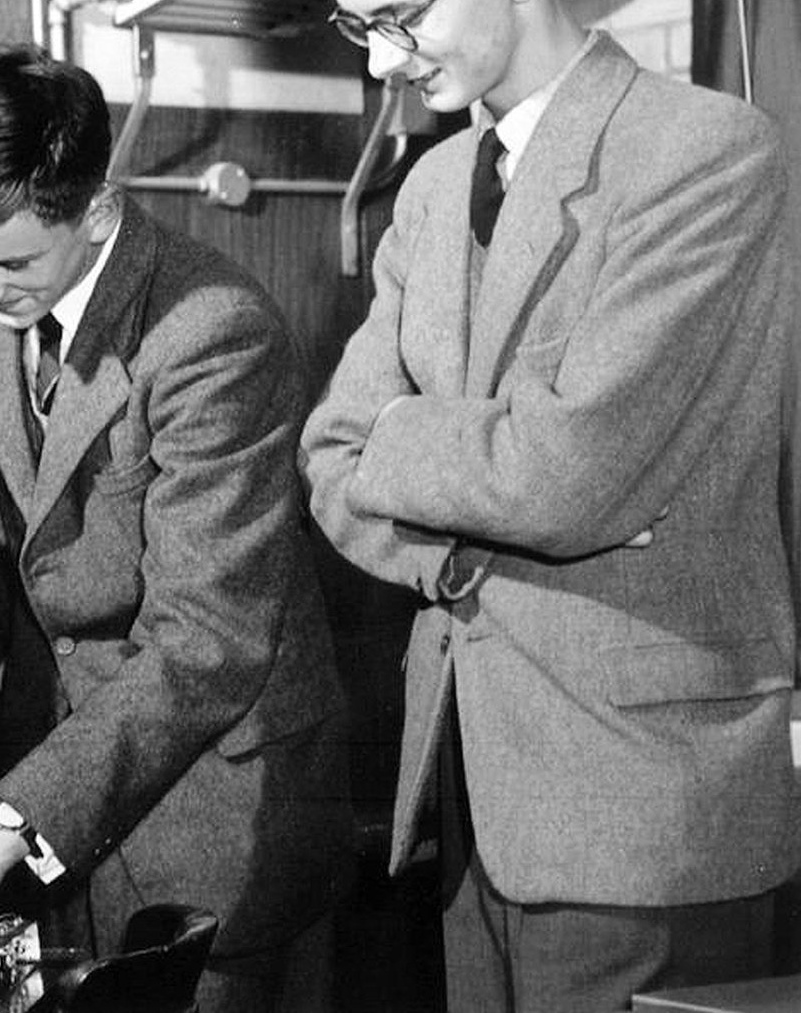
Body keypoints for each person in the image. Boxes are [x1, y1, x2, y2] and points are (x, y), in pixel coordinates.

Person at [0, 43, 349, 1012]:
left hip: (217, 822)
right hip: (61, 806)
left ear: (98, 210)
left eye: (10, 265)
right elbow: (10, 484)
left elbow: (206, 640)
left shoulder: (214, 332)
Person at [298, 0, 799, 1008]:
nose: (384, 62)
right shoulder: (434, 185)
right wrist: (463, 542)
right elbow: (330, 454)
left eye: (400, 15)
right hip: (467, 801)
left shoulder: (706, 150)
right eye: (359, 25)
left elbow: (565, 472)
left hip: (646, 817)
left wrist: (411, 437)